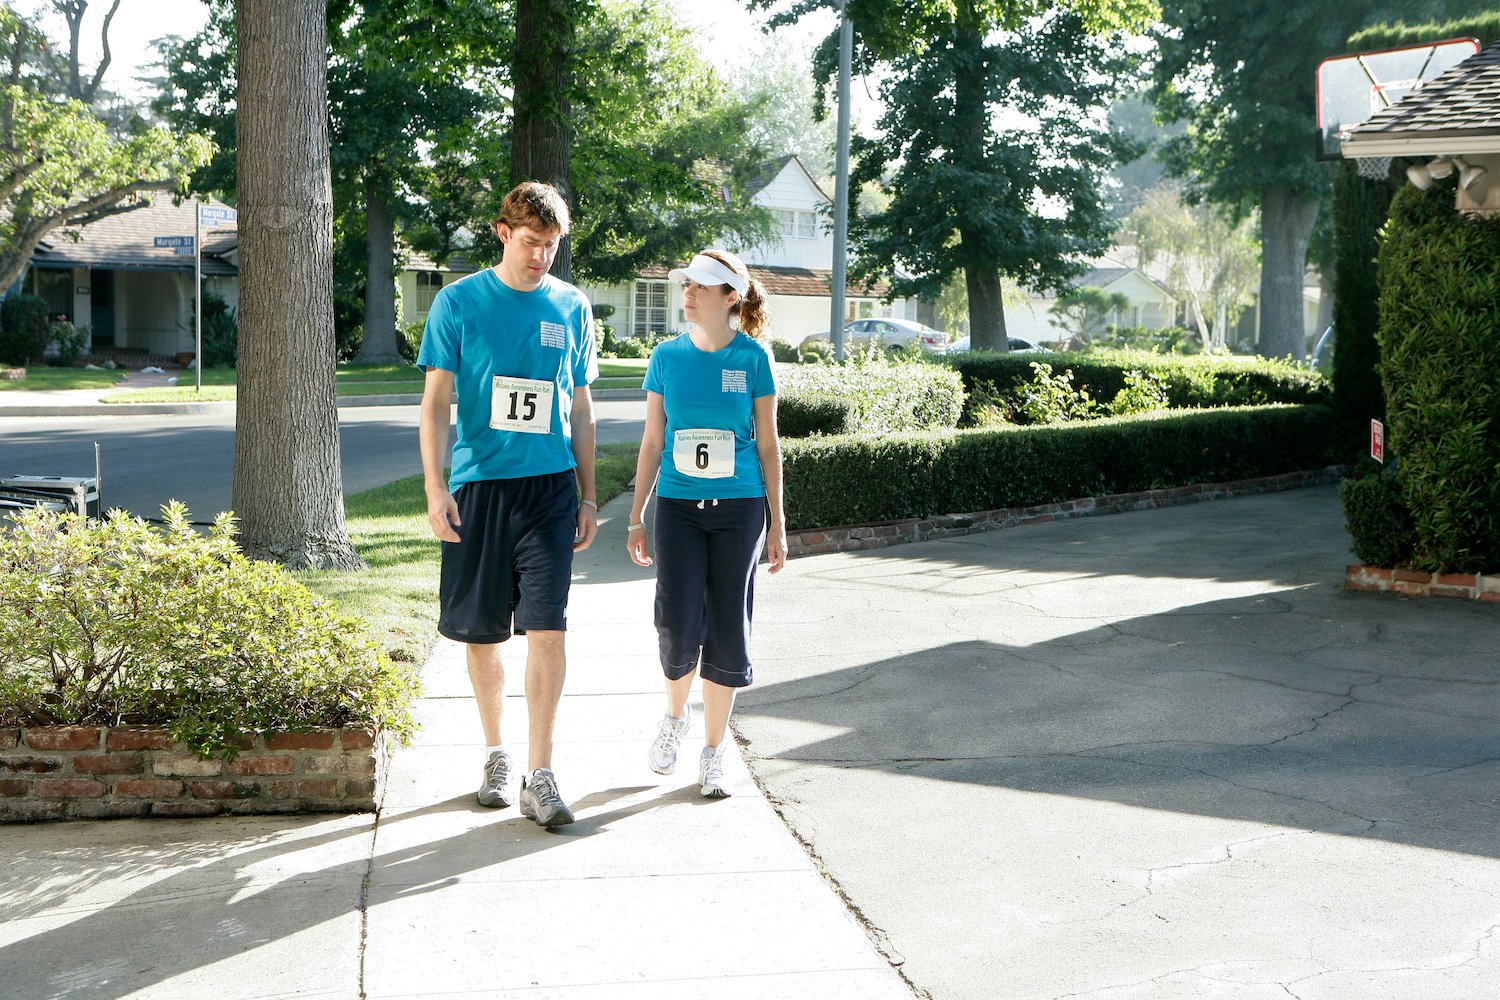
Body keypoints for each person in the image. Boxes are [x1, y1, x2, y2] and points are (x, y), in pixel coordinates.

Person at [417, 181, 598, 828]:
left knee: (548, 625)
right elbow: (436, 403)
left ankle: (540, 773)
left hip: (549, 489)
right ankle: (497, 752)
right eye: (530, 244)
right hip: (480, 489)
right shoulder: (458, 303)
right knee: (483, 634)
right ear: (502, 233)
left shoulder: (572, 308)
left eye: (551, 247)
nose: (540, 258)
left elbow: (579, 407)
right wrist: (437, 488)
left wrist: (587, 493)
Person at [625, 248, 786, 798]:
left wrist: (778, 524)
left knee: (727, 623)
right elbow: (651, 440)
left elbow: (768, 445)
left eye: (701, 286)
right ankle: (675, 719)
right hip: (676, 508)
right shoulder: (666, 358)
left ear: (730, 298)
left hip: (739, 510)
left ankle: (715, 752)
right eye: (686, 285)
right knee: (676, 618)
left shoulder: (754, 359)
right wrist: (635, 513)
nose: (688, 294)